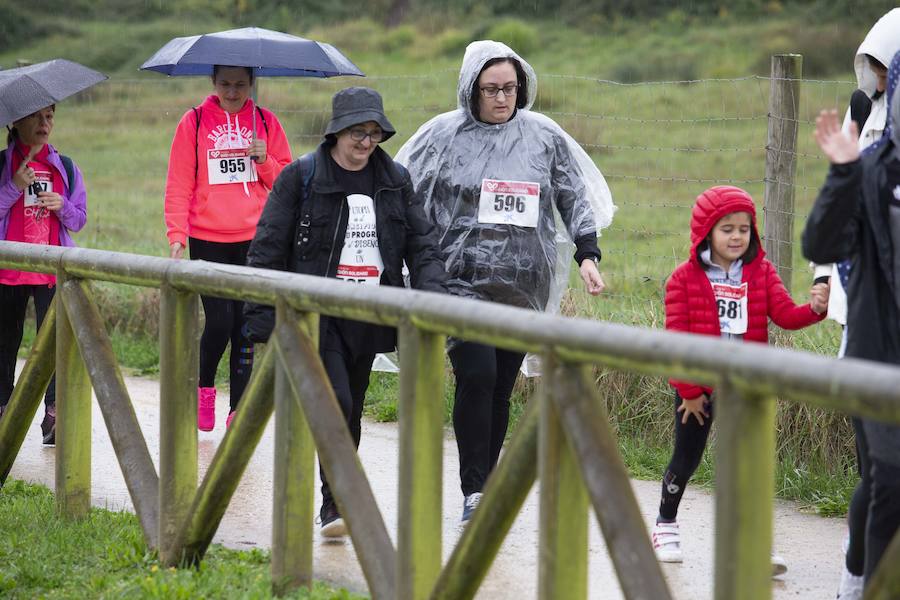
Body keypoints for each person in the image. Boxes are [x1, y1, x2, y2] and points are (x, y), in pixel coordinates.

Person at [396, 40, 616, 522]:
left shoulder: (543, 137)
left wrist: (587, 254)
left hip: (522, 284)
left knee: (500, 385)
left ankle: (486, 484)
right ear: (470, 90)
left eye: (510, 88)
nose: (502, 98)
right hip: (461, 282)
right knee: (476, 374)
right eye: (491, 89)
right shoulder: (443, 136)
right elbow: (407, 195)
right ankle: (474, 490)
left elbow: (572, 194)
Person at [243, 87, 447, 537]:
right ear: (336, 131)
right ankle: (339, 502)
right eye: (358, 132)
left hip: (370, 313)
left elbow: (422, 243)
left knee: (350, 410)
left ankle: (333, 500)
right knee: (336, 400)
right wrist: (260, 322)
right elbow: (268, 246)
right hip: (317, 312)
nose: (366, 142)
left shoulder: (395, 179)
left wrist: (433, 298)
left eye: (375, 133)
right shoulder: (301, 178)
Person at [652, 185, 829, 574]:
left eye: (744, 229)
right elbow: (675, 341)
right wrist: (689, 391)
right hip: (697, 391)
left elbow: (784, 315)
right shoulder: (682, 279)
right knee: (686, 458)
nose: (736, 237)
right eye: (727, 229)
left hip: (746, 386)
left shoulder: (761, 272)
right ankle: (665, 523)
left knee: (748, 465)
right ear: (705, 233)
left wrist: (814, 310)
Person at [807, 11, 900, 599]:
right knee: (885, 479)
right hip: (874, 343)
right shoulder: (871, 152)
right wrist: (844, 174)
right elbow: (823, 238)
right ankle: (859, 577)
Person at [164, 65, 291, 431]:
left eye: (239, 85)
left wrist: (265, 160)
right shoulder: (195, 121)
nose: (232, 92)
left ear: (252, 83)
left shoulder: (266, 123)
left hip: (254, 238)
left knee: (245, 328)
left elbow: (287, 183)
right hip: (208, 237)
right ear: (213, 83)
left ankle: (239, 409)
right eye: (225, 84)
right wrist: (177, 235)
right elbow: (178, 183)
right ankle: (203, 388)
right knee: (219, 321)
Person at [0, 105, 88, 444]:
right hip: (8, 270)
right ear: (16, 122)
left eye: (49, 116)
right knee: (5, 344)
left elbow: (79, 219)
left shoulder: (65, 167)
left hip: (51, 268)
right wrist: (13, 186)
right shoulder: (3, 166)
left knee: (53, 344)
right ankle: (5, 411)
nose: (44, 123)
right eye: (35, 116)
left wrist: (60, 205)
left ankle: (54, 415)